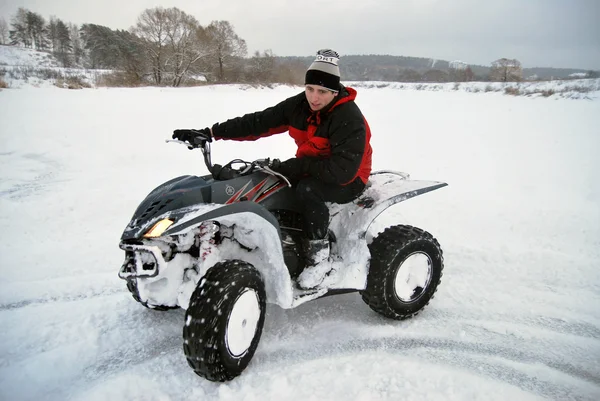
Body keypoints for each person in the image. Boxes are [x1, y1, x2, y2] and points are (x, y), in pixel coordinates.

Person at [173, 49, 373, 289]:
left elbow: (343, 171)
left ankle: (319, 258)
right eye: (310, 89)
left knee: (309, 190)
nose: (314, 97)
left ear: (334, 91)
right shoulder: (300, 105)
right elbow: (260, 121)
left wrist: (297, 167)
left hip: (349, 177)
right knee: (267, 183)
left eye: (322, 92)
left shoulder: (348, 118)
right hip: (313, 165)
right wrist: (211, 133)